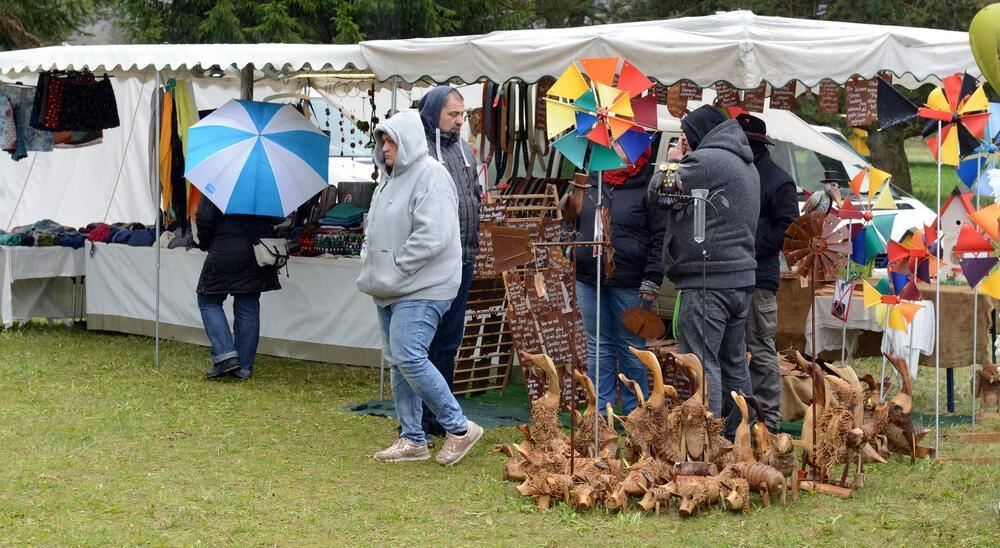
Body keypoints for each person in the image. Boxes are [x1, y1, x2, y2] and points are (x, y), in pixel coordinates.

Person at [357, 110, 483, 465]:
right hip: (390, 286)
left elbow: (434, 236)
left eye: (390, 140)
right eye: (381, 141)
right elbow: (376, 229)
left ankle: (459, 428)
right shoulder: (387, 180)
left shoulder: (432, 176)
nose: (384, 148)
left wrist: (395, 267)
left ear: (408, 139)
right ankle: (412, 437)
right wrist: (374, 261)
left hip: (424, 286)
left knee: (410, 355)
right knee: (399, 360)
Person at [648, 105, 760, 438]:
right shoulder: (744, 162)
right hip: (739, 279)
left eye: (685, 137)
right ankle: (741, 436)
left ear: (698, 136)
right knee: (734, 361)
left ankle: (704, 437)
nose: (683, 143)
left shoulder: (706, 162)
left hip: (708, 280)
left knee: (700, 360)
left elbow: (657, 190)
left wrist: (671, 159)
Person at [573, 147, 666, 414]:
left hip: (631, 280)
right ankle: (600, 411)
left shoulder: (649, 186)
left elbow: (661, 236)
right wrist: (573, 243)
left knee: (632, 347)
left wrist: (652, 278)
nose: (614, 151)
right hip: (589, 278)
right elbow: (575, 220)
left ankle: (636, 410)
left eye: (621, 146)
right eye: (611, 145)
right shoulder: (593, 181)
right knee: (598, 346)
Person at [416, 86, 481, 438]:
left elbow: (472, 196)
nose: (459, 121)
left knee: (448, 343)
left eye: (462, 115)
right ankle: (418, 419)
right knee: (422, 342)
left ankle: (440, 414)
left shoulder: (465, 151)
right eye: (452, 115)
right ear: (433, 114)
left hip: (463, 260)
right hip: (432, 263)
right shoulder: (418, 151)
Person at [736, 113, 800, 433]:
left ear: (758, 146)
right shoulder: (736, 173)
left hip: (759, 276)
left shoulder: (778, 180)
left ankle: (770, 423)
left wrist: (751, 244)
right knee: (734, 351)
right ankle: (739, 420)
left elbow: (789, 229)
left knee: (760, 349)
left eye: (746, 142)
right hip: (733, 273)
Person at [195, 199, 281, 381]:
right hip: (256, 251)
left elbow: (204, 217)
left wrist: (205, 242)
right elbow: (278, 217)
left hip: (224, 249)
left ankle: (226, 356)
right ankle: (243, 368)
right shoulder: (266, 183)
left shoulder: (221, 179)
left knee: (208, 300)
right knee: (248, 306)